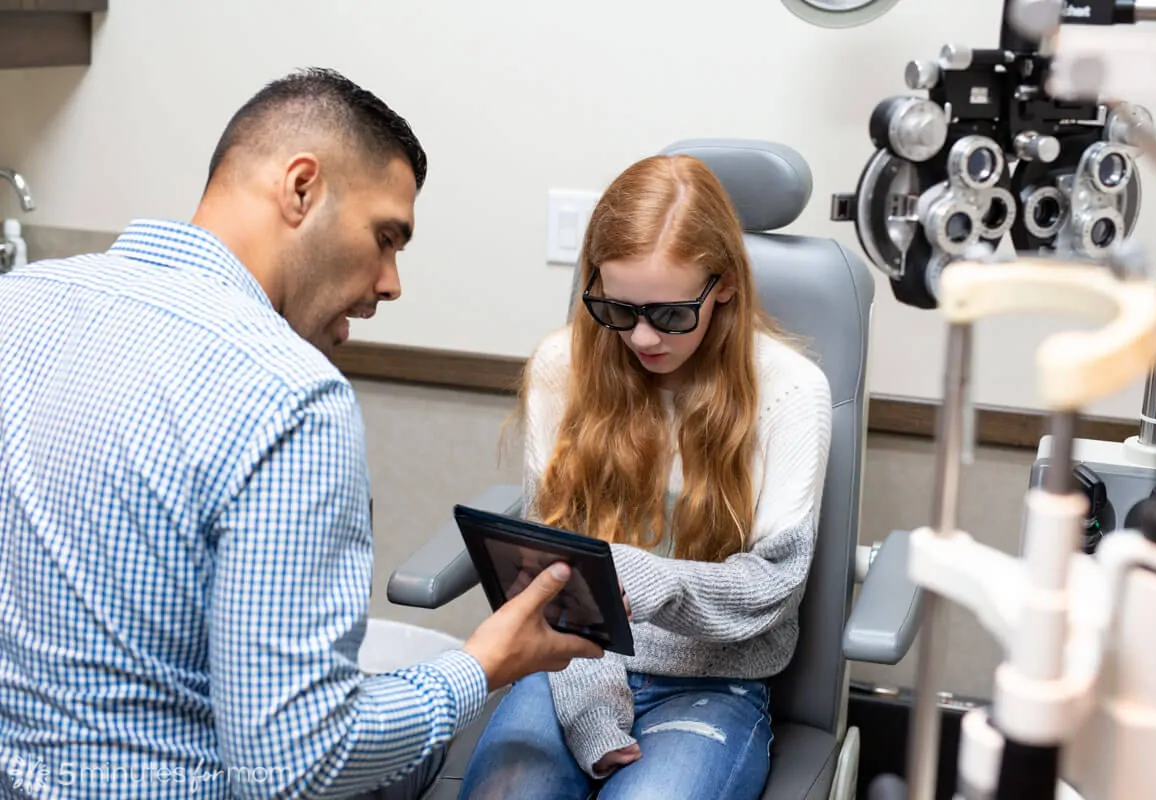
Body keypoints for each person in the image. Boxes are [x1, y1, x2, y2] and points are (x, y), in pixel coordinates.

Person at [0, 67, 601, 800]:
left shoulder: (19, 304)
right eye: (387, 238)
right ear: (301, 188)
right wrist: (482, 664)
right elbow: (295, 762)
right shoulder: (288, 394)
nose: (392, 283)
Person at [456, 154, 834, 800]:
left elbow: (773, 587)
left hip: (714, 683)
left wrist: (648, 578)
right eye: (617, 309)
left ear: (724, 286)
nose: (640, 338)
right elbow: (559, 579)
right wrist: (591, 705)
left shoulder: (791, 392)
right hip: (570, 664)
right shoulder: (562, 368)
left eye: (669, 315)